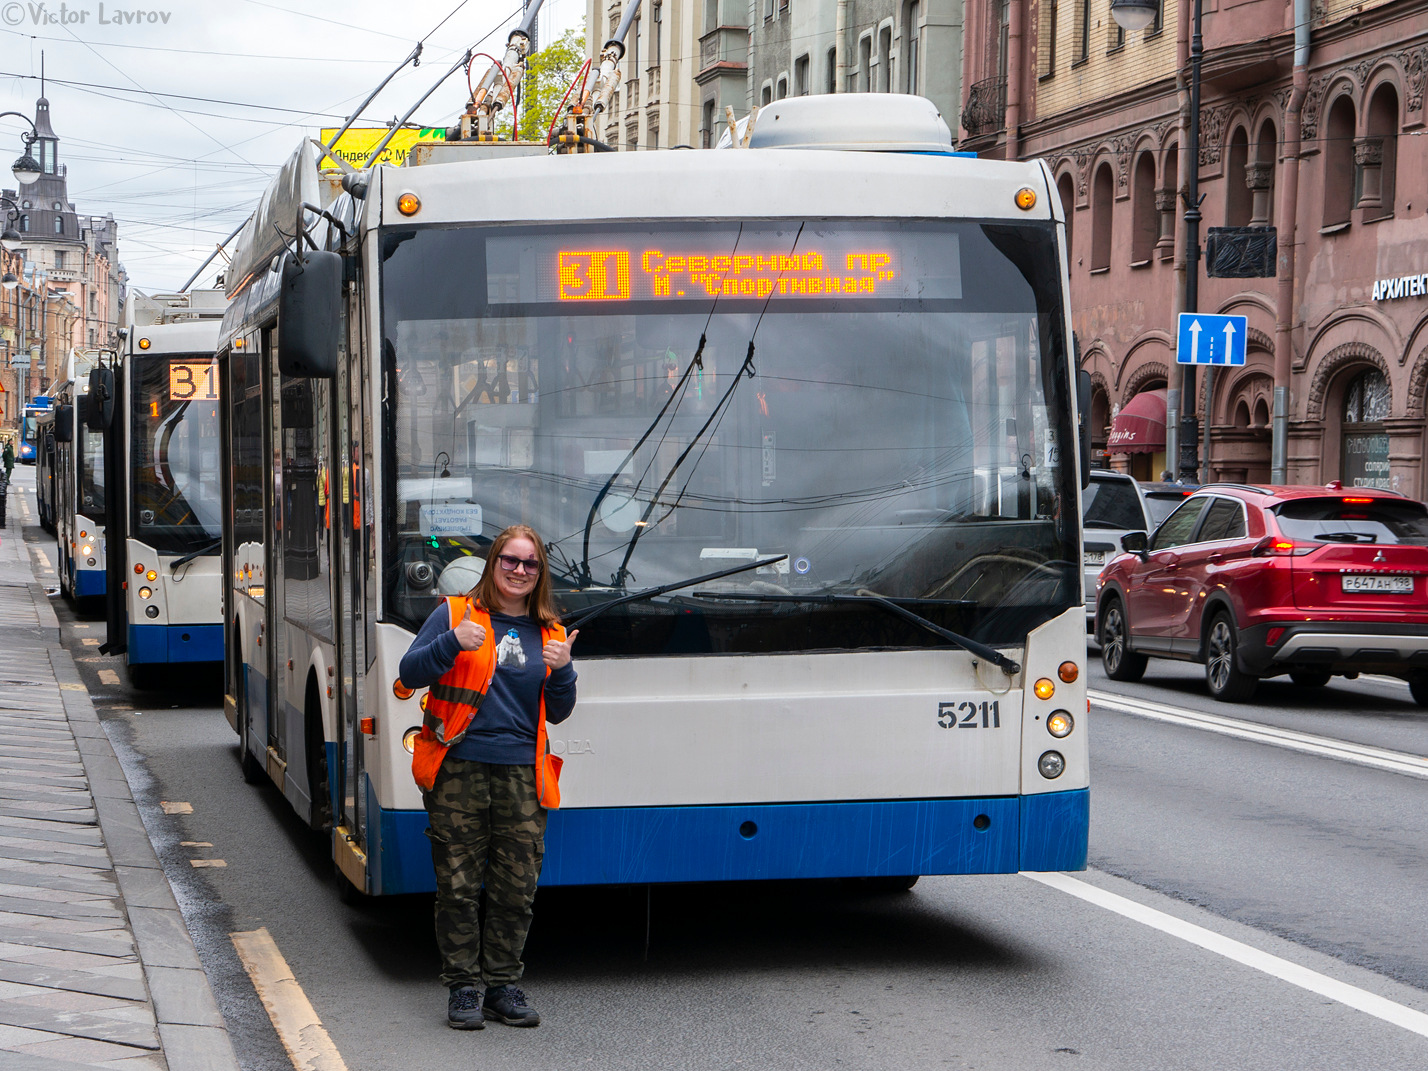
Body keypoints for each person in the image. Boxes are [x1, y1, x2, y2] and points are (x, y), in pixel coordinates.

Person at [398, 524, 579, 1031]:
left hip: (523, 774)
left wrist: (564, 670)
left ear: (539, 573)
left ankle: (502, 986)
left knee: (516, 889)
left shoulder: (551, 632)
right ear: (493, 562)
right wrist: (451, 643)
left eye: (530, 564)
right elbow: (409, 673)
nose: (519, 571)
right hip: (459, 769)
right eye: (510, 560)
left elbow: (558, 711)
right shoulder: (455, 614)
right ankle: (462, 988)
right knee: (457, 885)